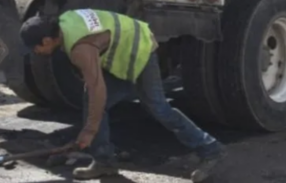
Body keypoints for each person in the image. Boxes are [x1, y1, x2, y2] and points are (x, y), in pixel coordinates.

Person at [20, 9, 225, 182]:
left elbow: (97, 89)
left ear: (47, 40)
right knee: (91, 100)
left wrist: (89, 131)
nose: (35, 52)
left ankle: (210, 148)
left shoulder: (80, 48)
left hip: (140, 50)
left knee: (158, 107)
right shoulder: (64, 22)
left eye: (36, 48)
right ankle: (104, 161)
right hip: (122, 53)